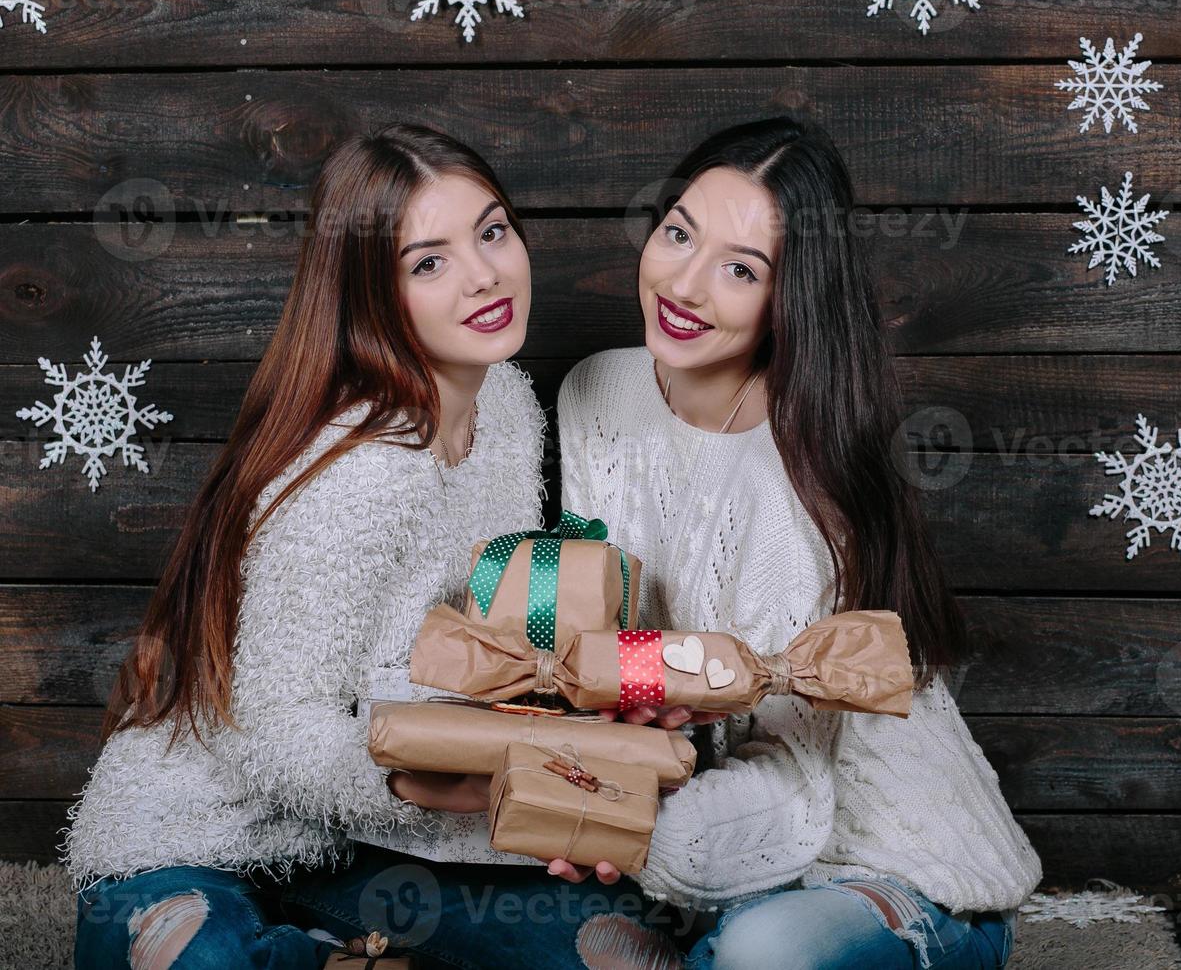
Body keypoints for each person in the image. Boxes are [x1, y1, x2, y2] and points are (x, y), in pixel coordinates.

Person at [63, 123, 650, 970]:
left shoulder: (510, 407)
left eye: (491, 232)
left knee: (605, 945)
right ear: (371, 292)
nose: (485, 275)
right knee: (198, 958)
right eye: (428, 262)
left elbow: (482, 642)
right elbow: (269, 731)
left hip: (362, 840)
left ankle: (338, 940)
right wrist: (426, 786)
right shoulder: (369, 468)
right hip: (211, 831)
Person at [553, 116, 1043, 969]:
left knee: (765, 951)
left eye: (741, 270)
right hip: (716, 834)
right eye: (679, 234)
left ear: (790, 300)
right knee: (514, 906)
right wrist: (585, 764)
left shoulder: (798, 487)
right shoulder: (597, 391)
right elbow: (602, 628)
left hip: (880, 868)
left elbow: (797, 791)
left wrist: (626, 827)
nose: (687, 284)